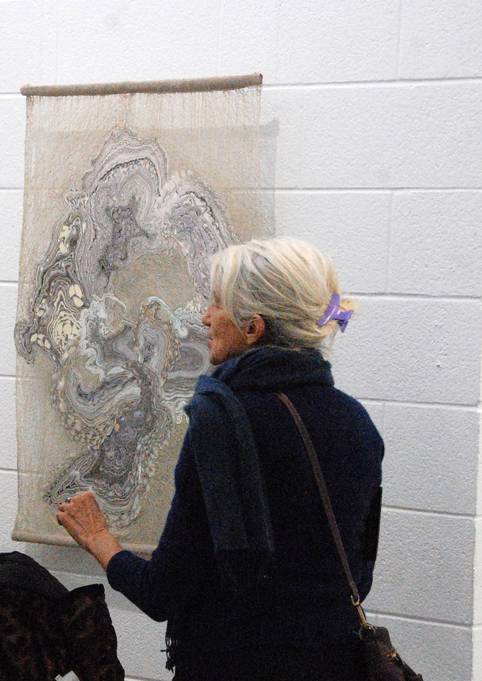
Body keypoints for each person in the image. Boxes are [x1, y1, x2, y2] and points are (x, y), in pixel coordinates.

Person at [57, 237, 384, 681]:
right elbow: (358, 579)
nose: (205, 317)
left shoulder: (223, 424)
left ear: (253, 329)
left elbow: (162, 594)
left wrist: (97, 536)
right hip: (334, 665)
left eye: (215, 304)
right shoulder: (356, 423)